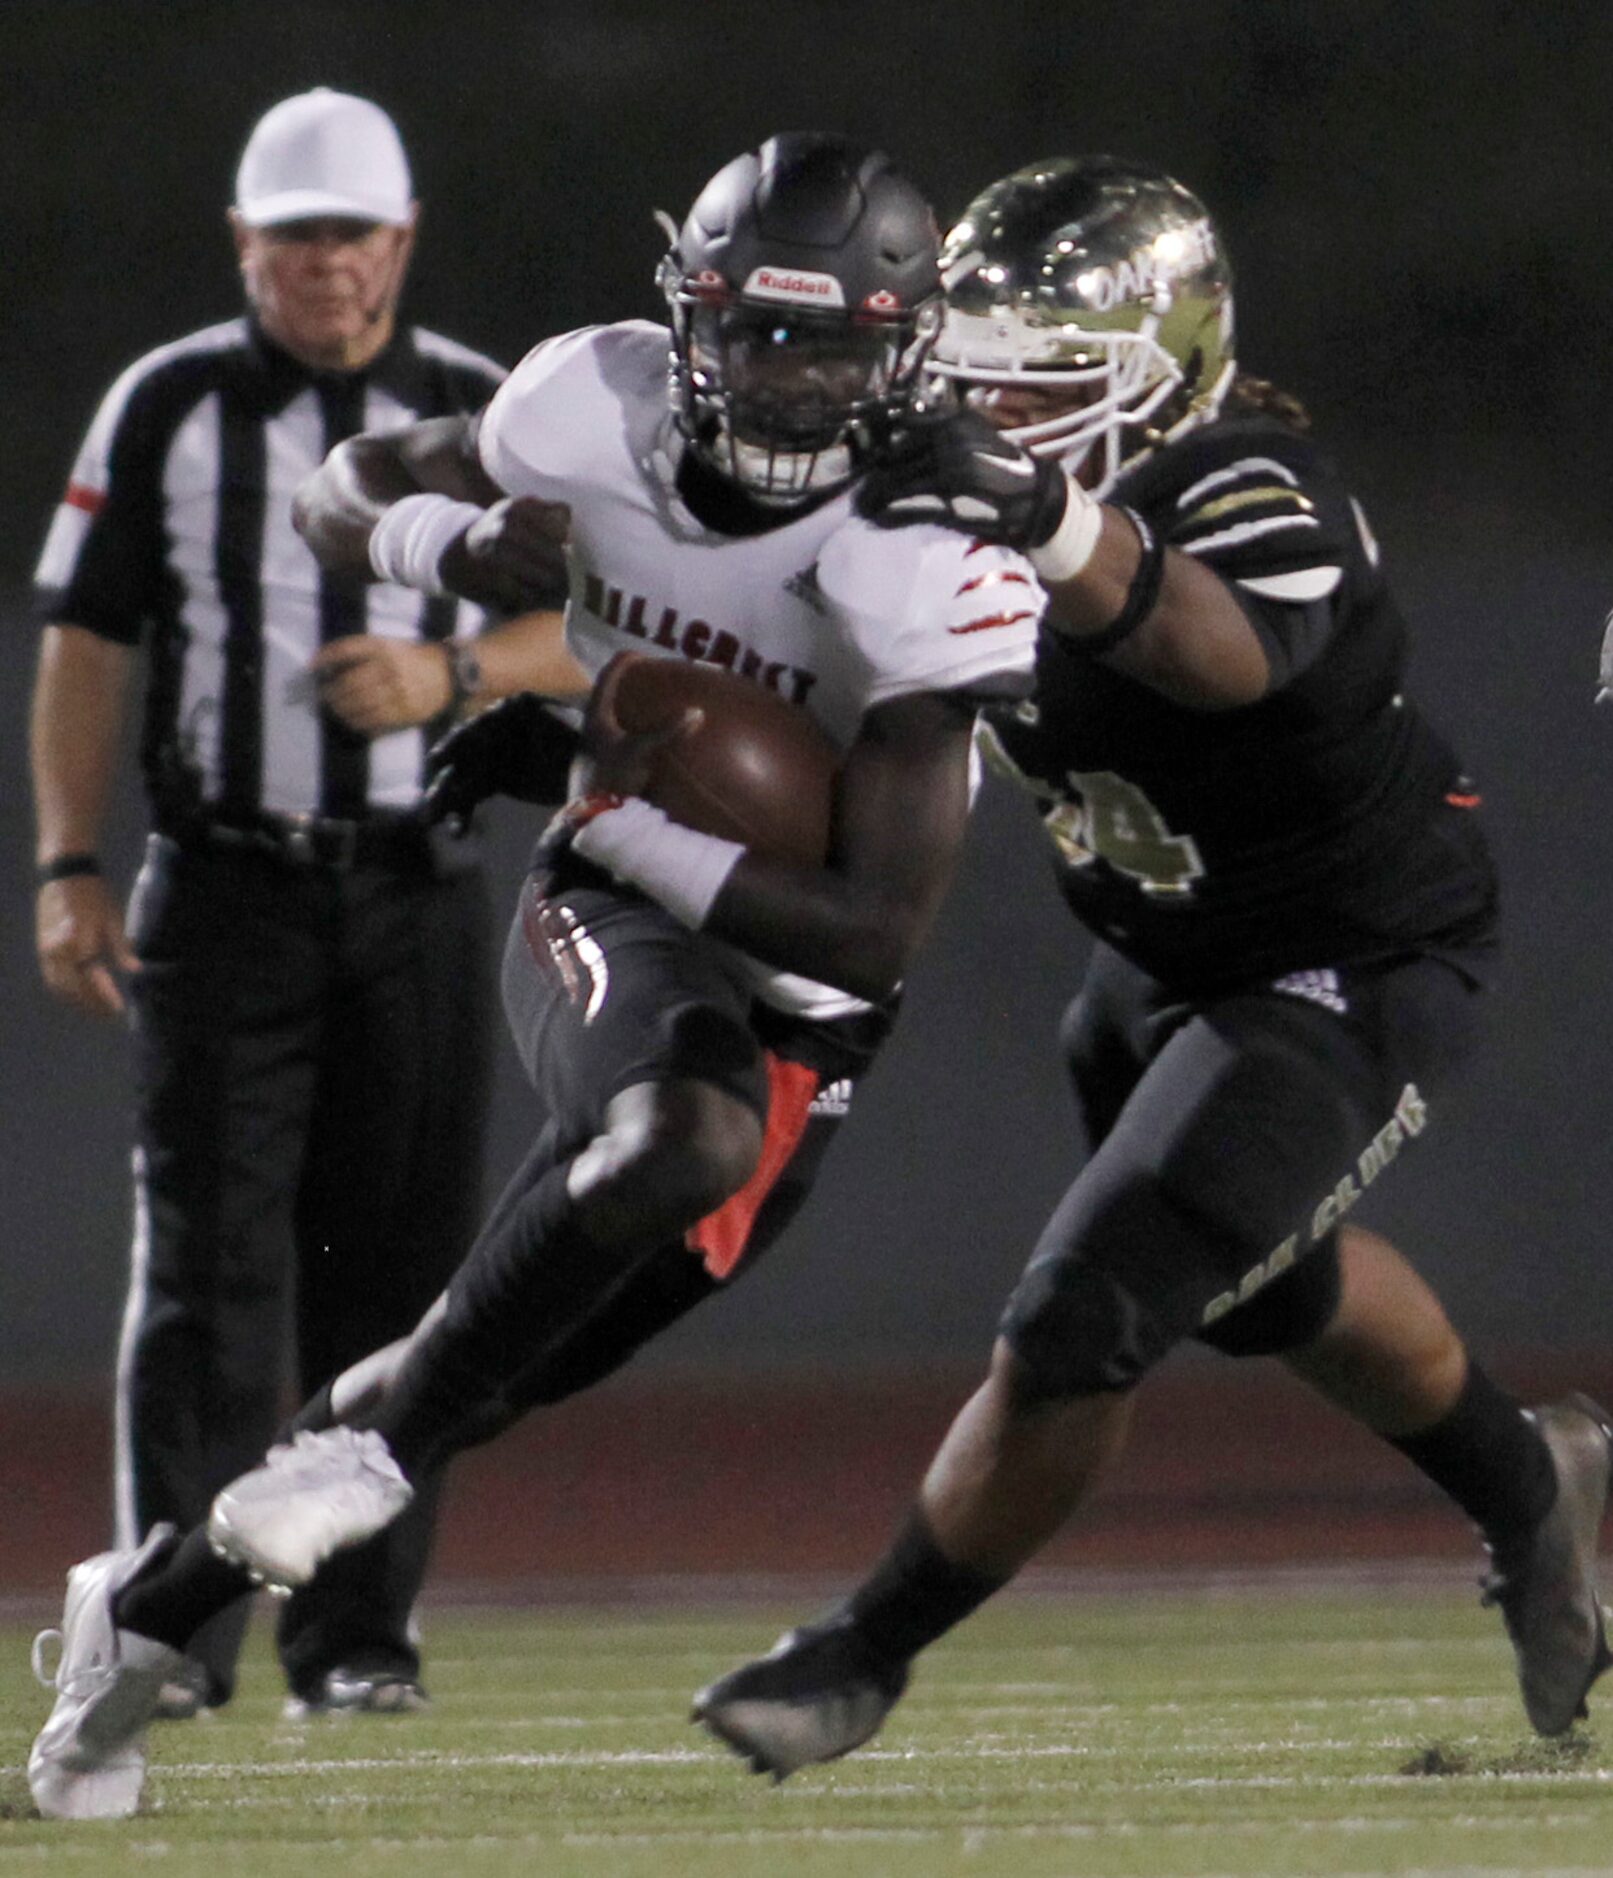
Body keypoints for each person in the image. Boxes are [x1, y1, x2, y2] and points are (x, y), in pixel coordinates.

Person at [25, 131, 1042, 1821]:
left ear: (905, 351)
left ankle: (139, 1609)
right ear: (688, 321)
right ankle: (342, 1466)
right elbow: (335, 486)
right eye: (758, 337)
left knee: (479, 1369)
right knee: (673, 1144)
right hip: (607, 909)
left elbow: (872, 933)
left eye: (837, 345)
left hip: (795, 977)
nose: (792, 387)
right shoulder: (593, 410)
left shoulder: (922, 552)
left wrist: (627, 805)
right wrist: (436, 540)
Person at [690, 156, 1613, 1777]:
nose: (1006, 413)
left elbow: (1224, 653)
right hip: (1147, 959)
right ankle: (1538, 1481)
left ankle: (861, 1650)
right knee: (1262, 1292)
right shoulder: (930, 475)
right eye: (977, 377)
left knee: (1081, 1318)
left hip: (1348, 954)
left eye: (1048, 381)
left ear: (1161, 369)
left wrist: (1040, 512)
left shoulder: (1253, 477)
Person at [28, 87, 582, 1726]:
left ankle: (354, 1637)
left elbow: (614, 626)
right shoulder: (172, 404)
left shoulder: (491, 406)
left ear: (400, 240)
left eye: (349, 233)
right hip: (222, 889)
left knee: (398, 1282)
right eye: (293, 237)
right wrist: (66, 859)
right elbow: (85, 638)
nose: (323, 266)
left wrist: (455, 666)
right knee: (205, 1278)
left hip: (417, 883)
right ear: (243, 245)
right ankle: (170, 1635)